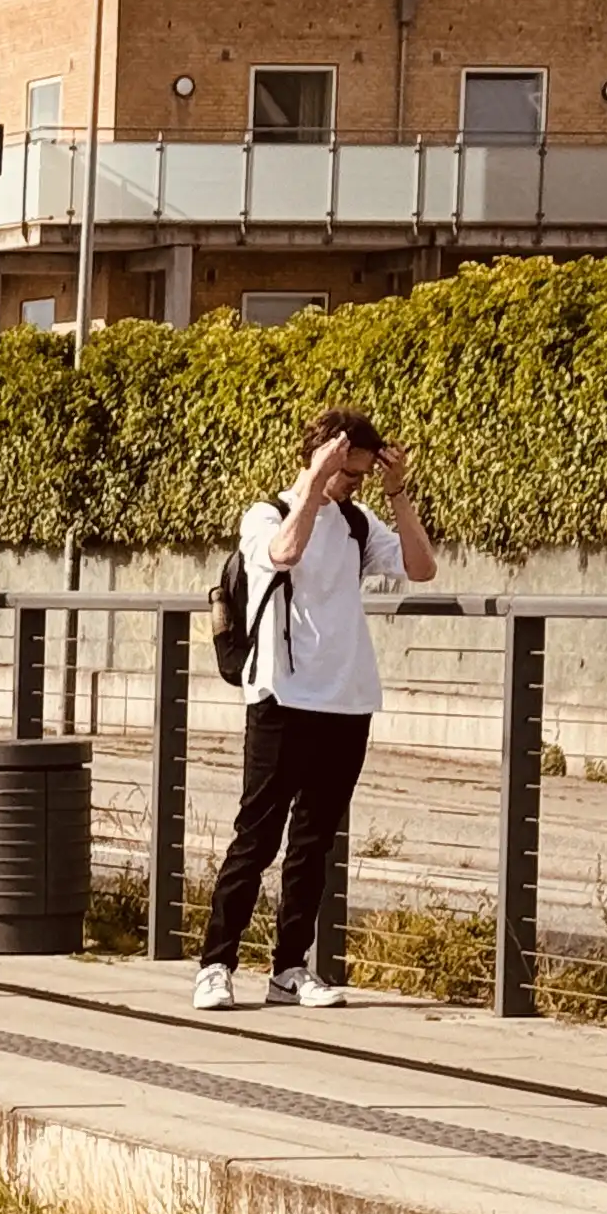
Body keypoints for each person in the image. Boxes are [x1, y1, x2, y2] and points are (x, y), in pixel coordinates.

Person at [195, 408, 435, 1009]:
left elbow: (421, 568)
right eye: (348, 472)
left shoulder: (358, 522)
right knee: (257, 838)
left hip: (347, 700)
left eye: (361, 475)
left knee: (313, 843)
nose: (355, 484)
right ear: (321, 457)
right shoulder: (266, 514)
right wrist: (316, 479)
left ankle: (290, 969)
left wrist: (397, 492)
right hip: (282, 696)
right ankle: (216, 964)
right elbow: (285, 552)